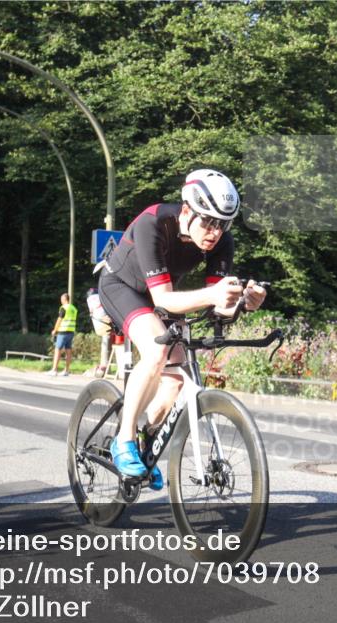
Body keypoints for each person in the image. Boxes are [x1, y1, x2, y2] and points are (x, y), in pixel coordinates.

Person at [97, 169, 266, 490]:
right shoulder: (154, 223)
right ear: (187, 210)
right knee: (157, 349)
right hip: (122, 286)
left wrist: (243, 302)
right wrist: (215, 296)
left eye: (223, 224)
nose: (215, 232)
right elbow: (162, 297)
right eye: (208, 221)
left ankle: (147, 444)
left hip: (163, 296)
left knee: (178, 377)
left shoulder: (221, 241)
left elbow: (219, 308)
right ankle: (124, 438)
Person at [46, 293, 78, 377]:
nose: (60, 301)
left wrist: (55, 330)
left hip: (63, 331)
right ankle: (66, 370)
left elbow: (59, 320)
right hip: (71, 332)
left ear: (64, 299)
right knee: (68, 351)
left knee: (58, 350)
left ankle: (54, 370)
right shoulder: (73, 308)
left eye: (61, 299)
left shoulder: (63, 308)